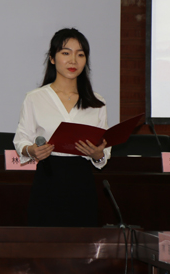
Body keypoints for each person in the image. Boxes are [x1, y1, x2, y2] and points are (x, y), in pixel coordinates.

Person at [13, 28, 111, 227]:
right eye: (66, 53)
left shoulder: (97, 102)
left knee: (83, 242)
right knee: (45, 241)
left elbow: (104, 153)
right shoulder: (35, 98)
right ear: (52, 58)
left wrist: (97, 154)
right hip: (48, 178)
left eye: (80, 55)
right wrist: (31, 150)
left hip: (82, 182)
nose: (73, 60)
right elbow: (21, 139)